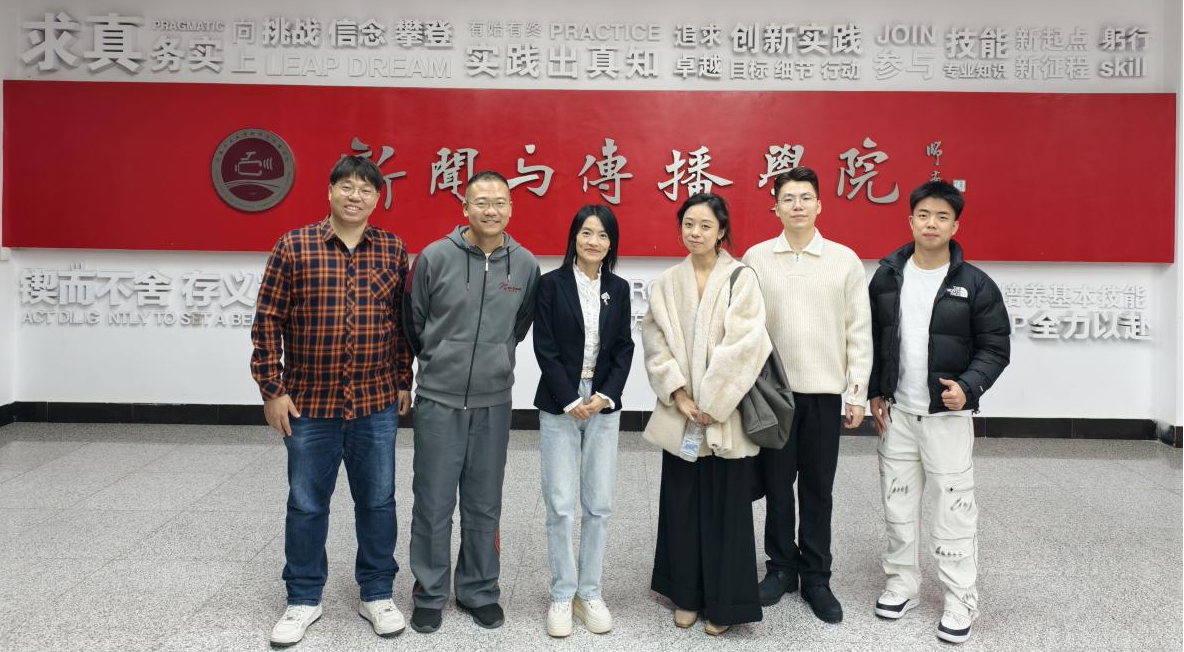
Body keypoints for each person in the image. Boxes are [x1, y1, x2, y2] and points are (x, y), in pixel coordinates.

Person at [251, 155, 412, 647]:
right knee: (306, 504)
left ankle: (377, 593)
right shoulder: (294, 246)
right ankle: (303, 598)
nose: (355, 196)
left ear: (377, 198)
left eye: (365, 189)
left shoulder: (392, 249)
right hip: (308, 405)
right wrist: (272, 389)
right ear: (329, 191)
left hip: (375, 402)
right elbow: (267, 321)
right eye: (346, 186)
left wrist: (403, 379)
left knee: (378, 502)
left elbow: (401, 324)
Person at [867, 180, 1010, 644]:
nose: (932, 223)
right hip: (898, 414)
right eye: (924, 215)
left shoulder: (976, 284)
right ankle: (902, 583)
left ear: (955, 226)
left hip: (947, 419)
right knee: (898, 504)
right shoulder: (887, 276)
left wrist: (968, 387)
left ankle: (959, 597)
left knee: (954, 509)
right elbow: (873, 340)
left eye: (942, 217)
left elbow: (995, 348)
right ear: (910, 220)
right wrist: (874, 391)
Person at [404, 170, 541, 633]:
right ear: (465, 208)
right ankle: (429, 592)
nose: (491, 209)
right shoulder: (434, 257)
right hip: (438, 400)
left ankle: (479, 590)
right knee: (433, 500)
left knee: (484, 502)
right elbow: (414, 321)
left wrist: (493, 361)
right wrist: (440, 360)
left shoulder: (525, 265)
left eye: (500, 202)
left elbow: (520, 326)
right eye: (481, 201)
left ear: (511, 209)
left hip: (493, 402)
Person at [742, 166, 872, 624]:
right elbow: (746, 327)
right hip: (774, 396)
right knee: (777, 487)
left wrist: (856, 393)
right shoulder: (757, 258)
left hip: (824, 395)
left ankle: (817, 577)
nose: (797, 206)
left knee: (818, 488)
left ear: (820, 205)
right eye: (788, 199)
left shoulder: (844, 260)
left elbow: (859, 331)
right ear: (775, 207)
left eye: (805, 198)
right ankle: (780, 568)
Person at [641, 192, 772, 636]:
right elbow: (655, 341)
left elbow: (746, 344)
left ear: (721, 232)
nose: (695, 233)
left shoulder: (741, 278)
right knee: (681, 503)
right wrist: (679, 395)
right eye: (689, 224)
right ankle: (686, 595)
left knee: (726, 508)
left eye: (705, 226)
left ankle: (725, 603)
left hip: (725, 414)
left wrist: (713, 404)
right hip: (682, 414)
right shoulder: (667, 282)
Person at [533, 204, 635, 637]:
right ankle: (562, 593)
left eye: (603, 235)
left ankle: (589, 592)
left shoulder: (619, 288)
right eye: (586, 233)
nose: (594, 241)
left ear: (611, 244)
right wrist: (569, 398)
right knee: (560, 504)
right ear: (574, 237)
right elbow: (545, 346)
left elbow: (624, 346)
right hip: (560, 401)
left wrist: (604, 396)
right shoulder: (550, 284)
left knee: (599, 503)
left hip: (602, 402)